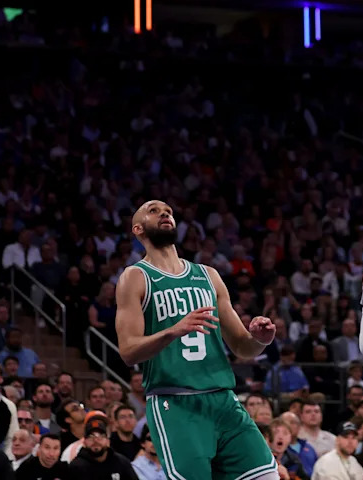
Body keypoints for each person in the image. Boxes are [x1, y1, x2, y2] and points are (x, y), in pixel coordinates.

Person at [116, 200, 280, 480]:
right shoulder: (136, 277)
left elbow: (241, 346)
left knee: (267, 476)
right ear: (138, 229)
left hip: (222, 399)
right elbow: (128, 351)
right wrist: (172, 330)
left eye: (167, 210)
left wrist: (259, 339)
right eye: (153, 210)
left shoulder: (208, 275)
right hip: (176, 403)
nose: (164, 213)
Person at [68, 413, 138, 479]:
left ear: (108, 441)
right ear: (84, 442)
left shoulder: (121, 462)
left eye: (101, 436)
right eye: (91, 436)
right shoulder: (76, 467)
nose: (96, 440)